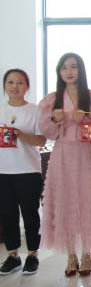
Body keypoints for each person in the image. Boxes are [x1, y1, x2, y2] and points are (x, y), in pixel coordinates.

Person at [38, 53, 91, 276]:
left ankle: (87, 254)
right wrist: (54, 119)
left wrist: (87, 120)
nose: (69, 72)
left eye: (74, 66)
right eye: (64, 68)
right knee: (65, 201)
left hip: (86, 155)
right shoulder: (51, 100)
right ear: (59, 72)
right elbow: (47, 132)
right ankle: (71, 256)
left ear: (81, 70)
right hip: (61, 156)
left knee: (87, 200)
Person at [0, 69, 46, 275]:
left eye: (20, 82)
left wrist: (19, 135)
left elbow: (41, 140)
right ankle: (13, 256)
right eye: (10, 82)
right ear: (4, 86)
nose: (15, 86)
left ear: (27, 86)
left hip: (28, 170)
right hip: (3, 171)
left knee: (30, 214)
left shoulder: (35, 111)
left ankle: (33, 255)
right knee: (7, 214)